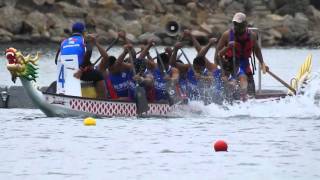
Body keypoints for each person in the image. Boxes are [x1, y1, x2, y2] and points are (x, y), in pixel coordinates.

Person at [214, 12, 269, 100]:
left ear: (245, 24)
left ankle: (247, 99)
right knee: (232, 86)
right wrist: (217, 64)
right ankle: (233, 97)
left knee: (251, 93)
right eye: (235, 23)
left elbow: (257, 50)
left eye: (239, 24)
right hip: (230, 65)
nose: (236, 26)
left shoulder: (252, 35)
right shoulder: (227, 35)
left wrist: (262, 63)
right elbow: (218, 52)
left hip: (245, 64)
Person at [55, 22, 107, 99]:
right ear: (83, 32)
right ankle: (102, 101)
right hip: (78, 73)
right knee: (99, 75)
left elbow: (56, 61)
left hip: (64, 73)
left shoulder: (64, 42)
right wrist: (82, 69)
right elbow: (89, 52)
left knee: (88, 66)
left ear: (72, 31)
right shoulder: (85, 40)